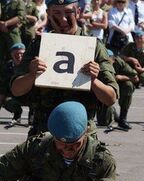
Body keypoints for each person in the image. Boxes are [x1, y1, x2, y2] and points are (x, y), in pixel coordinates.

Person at [11, 0, 118, 137]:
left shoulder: (93, 47)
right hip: (44, 132)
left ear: (78, 12)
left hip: (81, 135)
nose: (63, 19)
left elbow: (111, 98)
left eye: (68, 12)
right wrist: (31, 75)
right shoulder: (38, 46)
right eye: (56, 13)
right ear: (48, 14)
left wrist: (93, 80)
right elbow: (16, 89)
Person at [0, 42, 27, 125]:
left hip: (29, 95)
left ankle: (33, 117)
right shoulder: (7, 67)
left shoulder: (30, 65)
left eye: (21, 53)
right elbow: (2, 91)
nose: (19, 56)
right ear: (11, 54)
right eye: (16, 54)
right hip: (15, 95)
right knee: (7, 101)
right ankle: (17, 114)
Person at [0, 0, 25, 71]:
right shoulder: (0, 2)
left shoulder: (19, 2)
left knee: (17, 53)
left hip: (13, 32)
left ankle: (17, 73)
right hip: (0, 32)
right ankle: (0, 75)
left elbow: (21, 16)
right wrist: (0, 24)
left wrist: (6, 24)